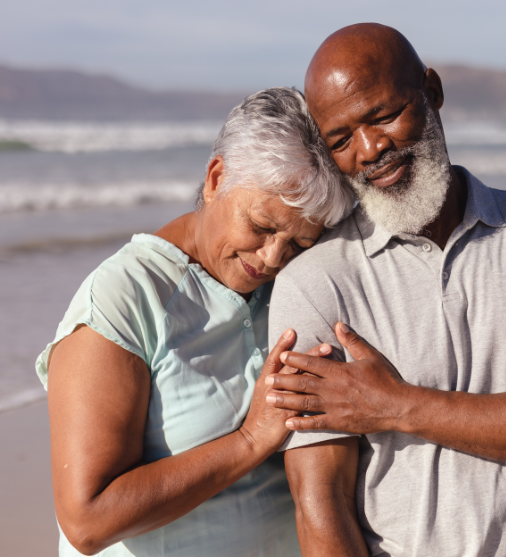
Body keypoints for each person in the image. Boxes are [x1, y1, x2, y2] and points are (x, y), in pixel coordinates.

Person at [265, 24, 506, 557]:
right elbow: (321, 505)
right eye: (340, 140)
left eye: (383, 115)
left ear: (431, 91)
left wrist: (393, 405)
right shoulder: (315, 284)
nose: (370, 150)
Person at [34, 88, 354, 556]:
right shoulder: (125, 296)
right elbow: (88, 520)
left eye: (299, 244)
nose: (271, 258)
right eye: (262, 226)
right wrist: (250, 440)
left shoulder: (288, 286)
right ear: (216, 177)